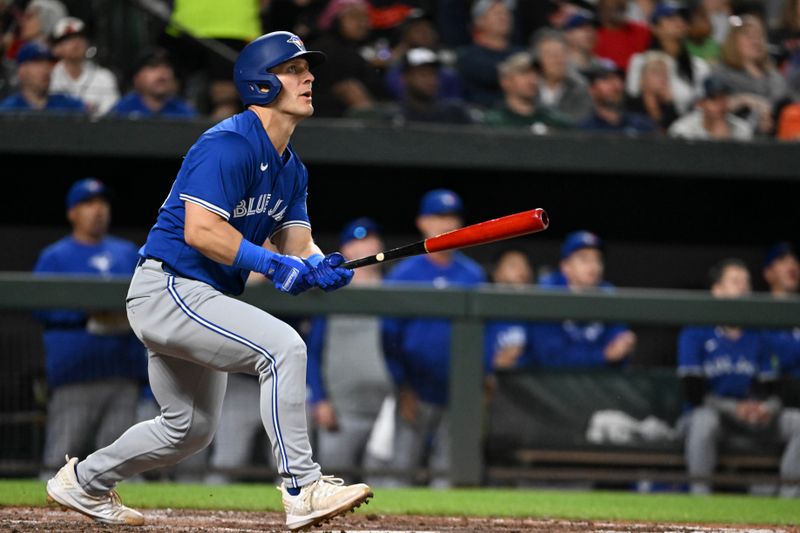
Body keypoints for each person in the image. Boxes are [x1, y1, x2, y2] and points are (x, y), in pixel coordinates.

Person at [44, 31, 372, 531]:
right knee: (283, 348)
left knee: (188, 429)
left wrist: (318, 263)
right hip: (170, 287)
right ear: (262, 84)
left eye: (307, 69)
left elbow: (297, 242)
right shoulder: (228, 144)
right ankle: (302, 487)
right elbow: (201, 231)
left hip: (198, 296)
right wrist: (272, 264)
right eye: (293, 69)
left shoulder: (292, 169)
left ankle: (83, 481)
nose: (308, 78)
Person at [33, 178, 146, 480]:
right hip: (76, 375)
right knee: (61, 456)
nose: (98, 210)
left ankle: (118, 519)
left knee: (122, 462)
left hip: (123, 371)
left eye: (102, 203)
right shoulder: (55, 256)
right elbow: (38, 306)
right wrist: (85, 309)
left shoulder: (127, 252)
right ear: (72, 212)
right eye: (88, 203)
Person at [381, 189, 486, 487]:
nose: (446, 223)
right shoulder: (403, 274)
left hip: (459, 392)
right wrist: (402, 386)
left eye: (452, 217)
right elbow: (389, 337)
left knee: (450, 473)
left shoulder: (473, 273)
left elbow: (486, 335)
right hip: (415, 390)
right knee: (400, 469)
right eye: (439, 217)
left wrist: (483, 377)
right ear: (422, 222)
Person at [678, 258, 800, 496]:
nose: (744, 287)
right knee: (704, 420)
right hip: (713, 419)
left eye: (747, 282)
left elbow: (773, 389)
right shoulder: (696, 332)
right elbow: (693, 393)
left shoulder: (759, 333)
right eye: (735, 281)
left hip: (752, 420)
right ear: (717, 290)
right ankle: (699, 500)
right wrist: (734, 408)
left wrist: (767, 408)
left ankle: (790, 502)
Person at [306, 217, 393, 483]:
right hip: (342, 410)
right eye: (357, 242)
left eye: (370, 240)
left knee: (388, 483)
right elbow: (314, 350)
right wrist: (319, 398)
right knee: (333, 480)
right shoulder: (332, 294)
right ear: (346, 251)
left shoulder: (396, 290)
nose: (365, 247)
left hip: (387, 410)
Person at [529, 230, 637, 368]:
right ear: (566, 266)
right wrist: (602, 355)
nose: (593, 266)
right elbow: (550, 357)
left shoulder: (607, 291)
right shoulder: (548, 291)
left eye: (597, 259)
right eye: (584, 259)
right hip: (551, 383)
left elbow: (617, 344)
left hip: (599, 382)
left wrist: (624, 345)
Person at [626, 2, 711, 115]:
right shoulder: (640, 61)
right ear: (655, 27)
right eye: (670, 18)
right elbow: (633, 97)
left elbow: (704, 103)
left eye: (683, 19)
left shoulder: (699, 65)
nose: (679, 23)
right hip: (649, 124)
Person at [307, 0, 388, 118]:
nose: (363, 23)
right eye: (355, 17)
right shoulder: (325, 49)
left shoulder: (354, 50)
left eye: (365, 18)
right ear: (336, 20)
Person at [455, 0, 523, 108]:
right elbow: (488, 74)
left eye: (506, 13)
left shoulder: (520, 54)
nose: (503, 17)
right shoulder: (469, 56)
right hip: (482, 117)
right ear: (479, 21)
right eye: (497, 13)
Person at [483, 51, 573, 132]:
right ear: (506, 81)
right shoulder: (493, 123)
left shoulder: (556, 122)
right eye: (524, 73)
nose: (533, 80)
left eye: (537, 74)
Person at [48, 17, 119, 118]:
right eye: (68, 39)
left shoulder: (104, 77)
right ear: (56, 48)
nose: (76, 43)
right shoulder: (48, 76)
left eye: (80, 38)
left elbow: (112, 116)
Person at [107, 47, 196, 119]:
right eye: (153, 66)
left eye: (167, 66)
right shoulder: (122, 111)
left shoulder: (184, 112)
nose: (162, 72)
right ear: (136, 78)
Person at [484, 247, 536, 371]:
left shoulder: (536, 311)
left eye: (525, 265)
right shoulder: (485, 310)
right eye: (513, 265)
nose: (522, 270)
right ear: (497, 274)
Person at [0, 41, 84, 112]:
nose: (46, 69)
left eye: (49, 63)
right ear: (21, 70)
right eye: (38, 62)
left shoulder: (70, 107)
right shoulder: (7, 110)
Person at [579, 58, 658, 134]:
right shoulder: (584, 131)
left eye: (618, 79)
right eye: (607, 79)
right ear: (592, 89)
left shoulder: (642, 126)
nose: (615, 85)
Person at [530, 29, 593, 123]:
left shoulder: (580, 88)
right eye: (551, 55)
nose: (558, 60)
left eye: (562, 54)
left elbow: (579, 122)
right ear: (538, 60)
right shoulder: (529, 86)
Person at [668, 74, 753, 140]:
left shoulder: (741, 129)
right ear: (700, 103)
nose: (720, 104)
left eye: (723, 98)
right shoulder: (684, 130)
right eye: (713, 99)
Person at [761, 243, 800, 379]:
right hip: (774, 390)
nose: (792, 264)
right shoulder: (759, 314)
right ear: (768, 273)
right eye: (782, 260)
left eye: (795, 260)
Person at [625, 51, 680, 131]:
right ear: (642, 79)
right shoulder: (631, 105)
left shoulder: (669, 107)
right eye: (656, 73)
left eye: (665, 74)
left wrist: (669, 104)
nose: (662, 78)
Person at [593, 0, 651, 71]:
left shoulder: (642, 31)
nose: (616, 4)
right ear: (601, 8)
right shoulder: (593, 36)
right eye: (611, 7)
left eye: (620, 7)